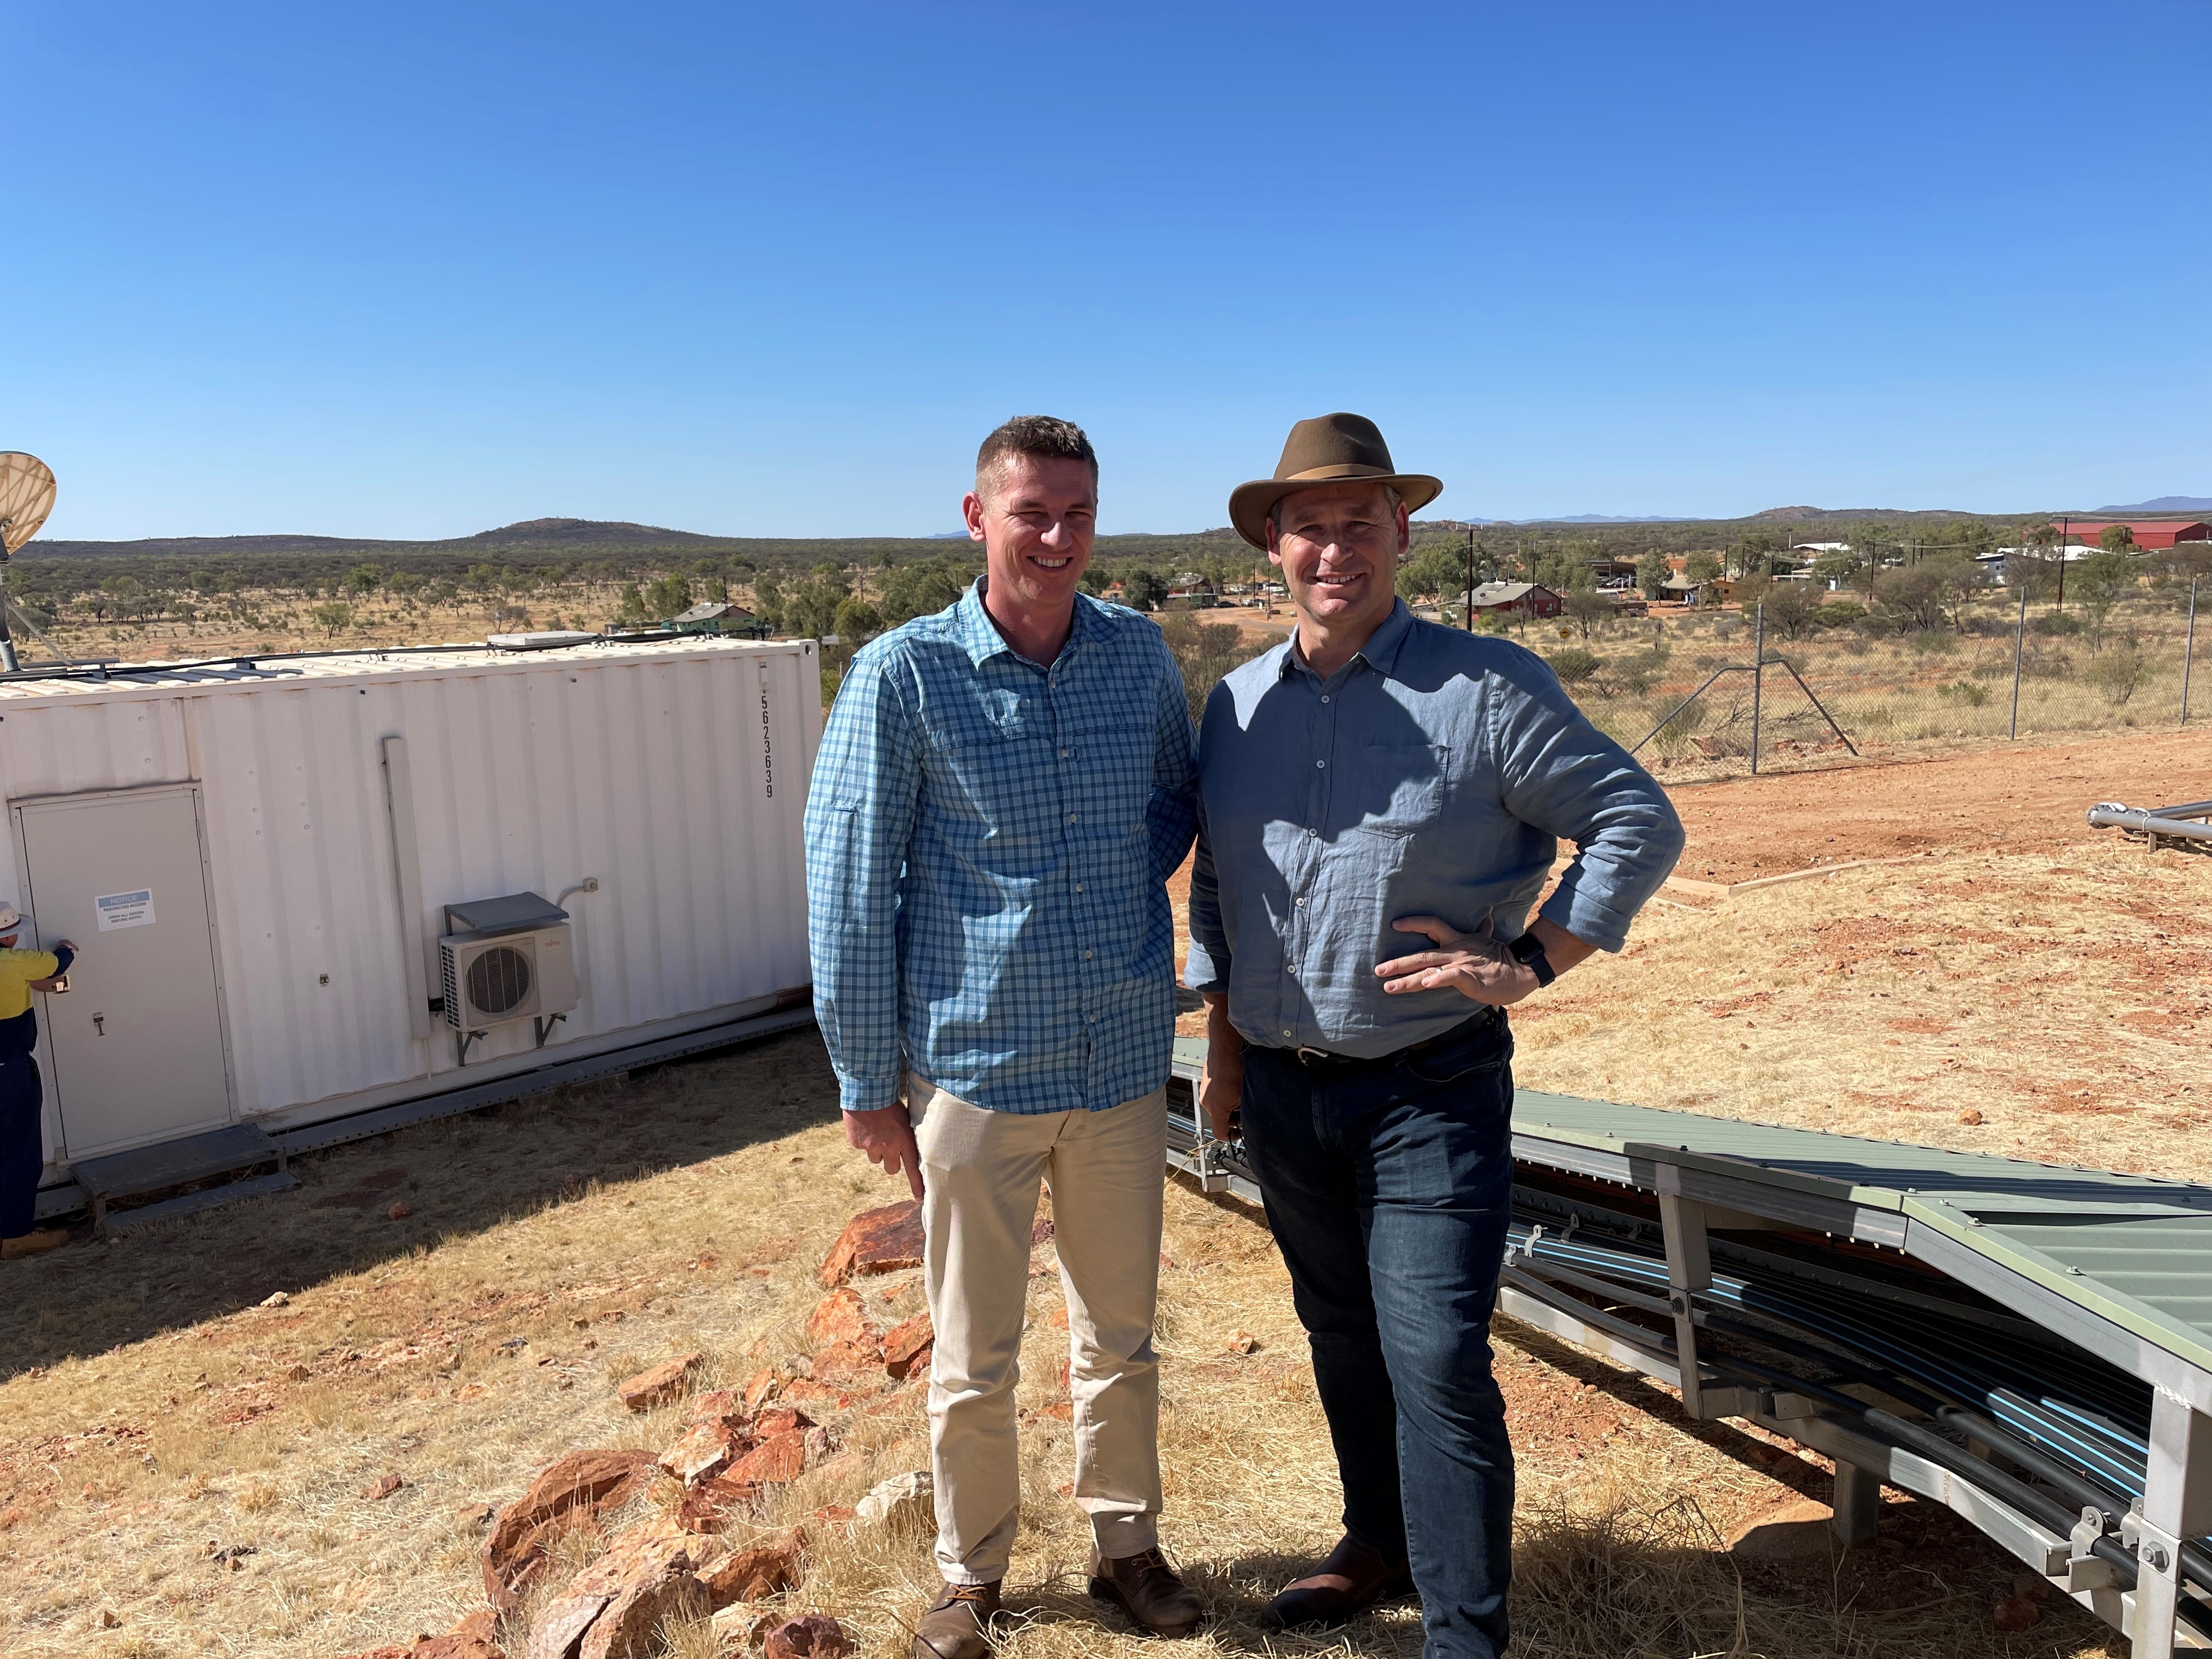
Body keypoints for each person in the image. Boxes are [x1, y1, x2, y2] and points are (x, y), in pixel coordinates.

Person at [1186, 414, 1683, 1659]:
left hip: (1427, 1090)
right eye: (1310, 526)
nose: (1335, 549)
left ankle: (1464, 1636)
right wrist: (1227, 1054)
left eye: (1360, 523)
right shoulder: (1235, 707)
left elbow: (1635, 818)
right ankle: (1377, 1543)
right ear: (1272, 543)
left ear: (1401, 532)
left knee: (1436, 1361)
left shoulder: (1486, 687)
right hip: (1284, 1094)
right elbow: (1223, 886)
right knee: (1339, 1333)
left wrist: (1531, 960)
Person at [804, 416, 1205, 1659]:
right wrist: (866, 1080)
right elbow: (848, 882)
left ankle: (1126, 1547)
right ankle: (969, 1577)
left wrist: (1107, 892)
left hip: (1120, 1060)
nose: (1058, 536)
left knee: (1119, 1334)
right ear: (978, 517)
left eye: (1078, 513)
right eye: (1032, 512)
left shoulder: (1136, 655)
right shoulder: (904, 675)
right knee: (975, 1351)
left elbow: (1176, 799)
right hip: (976, 1072)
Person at [0, 904, 76, 1260]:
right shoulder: (15, 961)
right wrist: (68, 947)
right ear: (9, 936)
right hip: (10, 1073)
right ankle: (16, 1237)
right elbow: (57, 964)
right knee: (19, 1153)